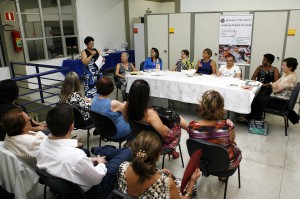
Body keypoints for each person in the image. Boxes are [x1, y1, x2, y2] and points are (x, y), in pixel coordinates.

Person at [36, 103, 132, 199]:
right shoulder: (76, 156)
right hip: (94, 189)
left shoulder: (43, 143)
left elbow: (65, 163)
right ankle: (101, 150)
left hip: (69, 185)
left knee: (115, 153)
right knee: (127, 152)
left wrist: (89, 160)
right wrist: (101, 163)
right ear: (72, 126)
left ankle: (101, 150)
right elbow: (97, 178)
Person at [116, 131, 200, 199]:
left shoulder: (123, 167)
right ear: (158, 156)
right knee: (189, 187)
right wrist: (192, 182)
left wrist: (159, 172)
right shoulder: (166, 183)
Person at [124, 79, 188, 159]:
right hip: (155, 144)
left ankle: (173, 151)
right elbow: (165, 134)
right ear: (146, 96)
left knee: (168, 121)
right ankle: (190, 131)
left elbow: (126, 120)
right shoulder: (149, 114)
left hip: (139, 138)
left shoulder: (126, 106)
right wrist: (165, 127)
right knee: (177, 120)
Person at [187, 90, 242, 181]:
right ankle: (222, 175)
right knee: (232, 145)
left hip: (202, 163)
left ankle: (210, 167)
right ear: (221, 108)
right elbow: (232, 141)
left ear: (202, 106)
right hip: (226, 166)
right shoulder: (228, 126)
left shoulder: (192, 126)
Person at [244, 57, 298, 122]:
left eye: (284, 65)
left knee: (256, 100)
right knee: (258, 97)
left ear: (290, 67)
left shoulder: (289, 78)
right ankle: (253, 118)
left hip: (280, 102)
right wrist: (274, 84)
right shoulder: (288, 74)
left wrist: (273, 84)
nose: (282, 67)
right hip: (278, 98)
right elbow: (275, 83)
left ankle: (251, 120)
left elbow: (275, 90)